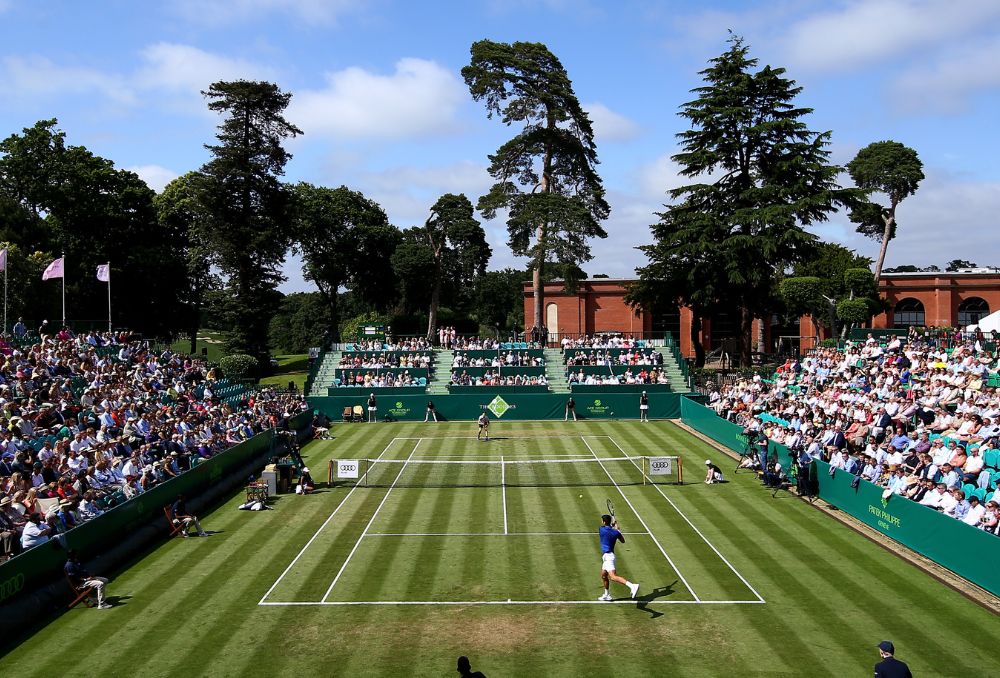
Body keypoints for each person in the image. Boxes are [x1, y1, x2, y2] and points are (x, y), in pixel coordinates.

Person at [598, 514, 639, 601]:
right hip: (607, 557)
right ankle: (607, 594)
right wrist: (618, 530)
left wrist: (613, 526)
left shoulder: (601, 529)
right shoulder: (615, 532)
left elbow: (608, 529)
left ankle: (632, 586)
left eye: (602, 520)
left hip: (609, 557)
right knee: (604, 575)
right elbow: (623, 541)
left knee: (613, 577)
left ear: (604, 522)